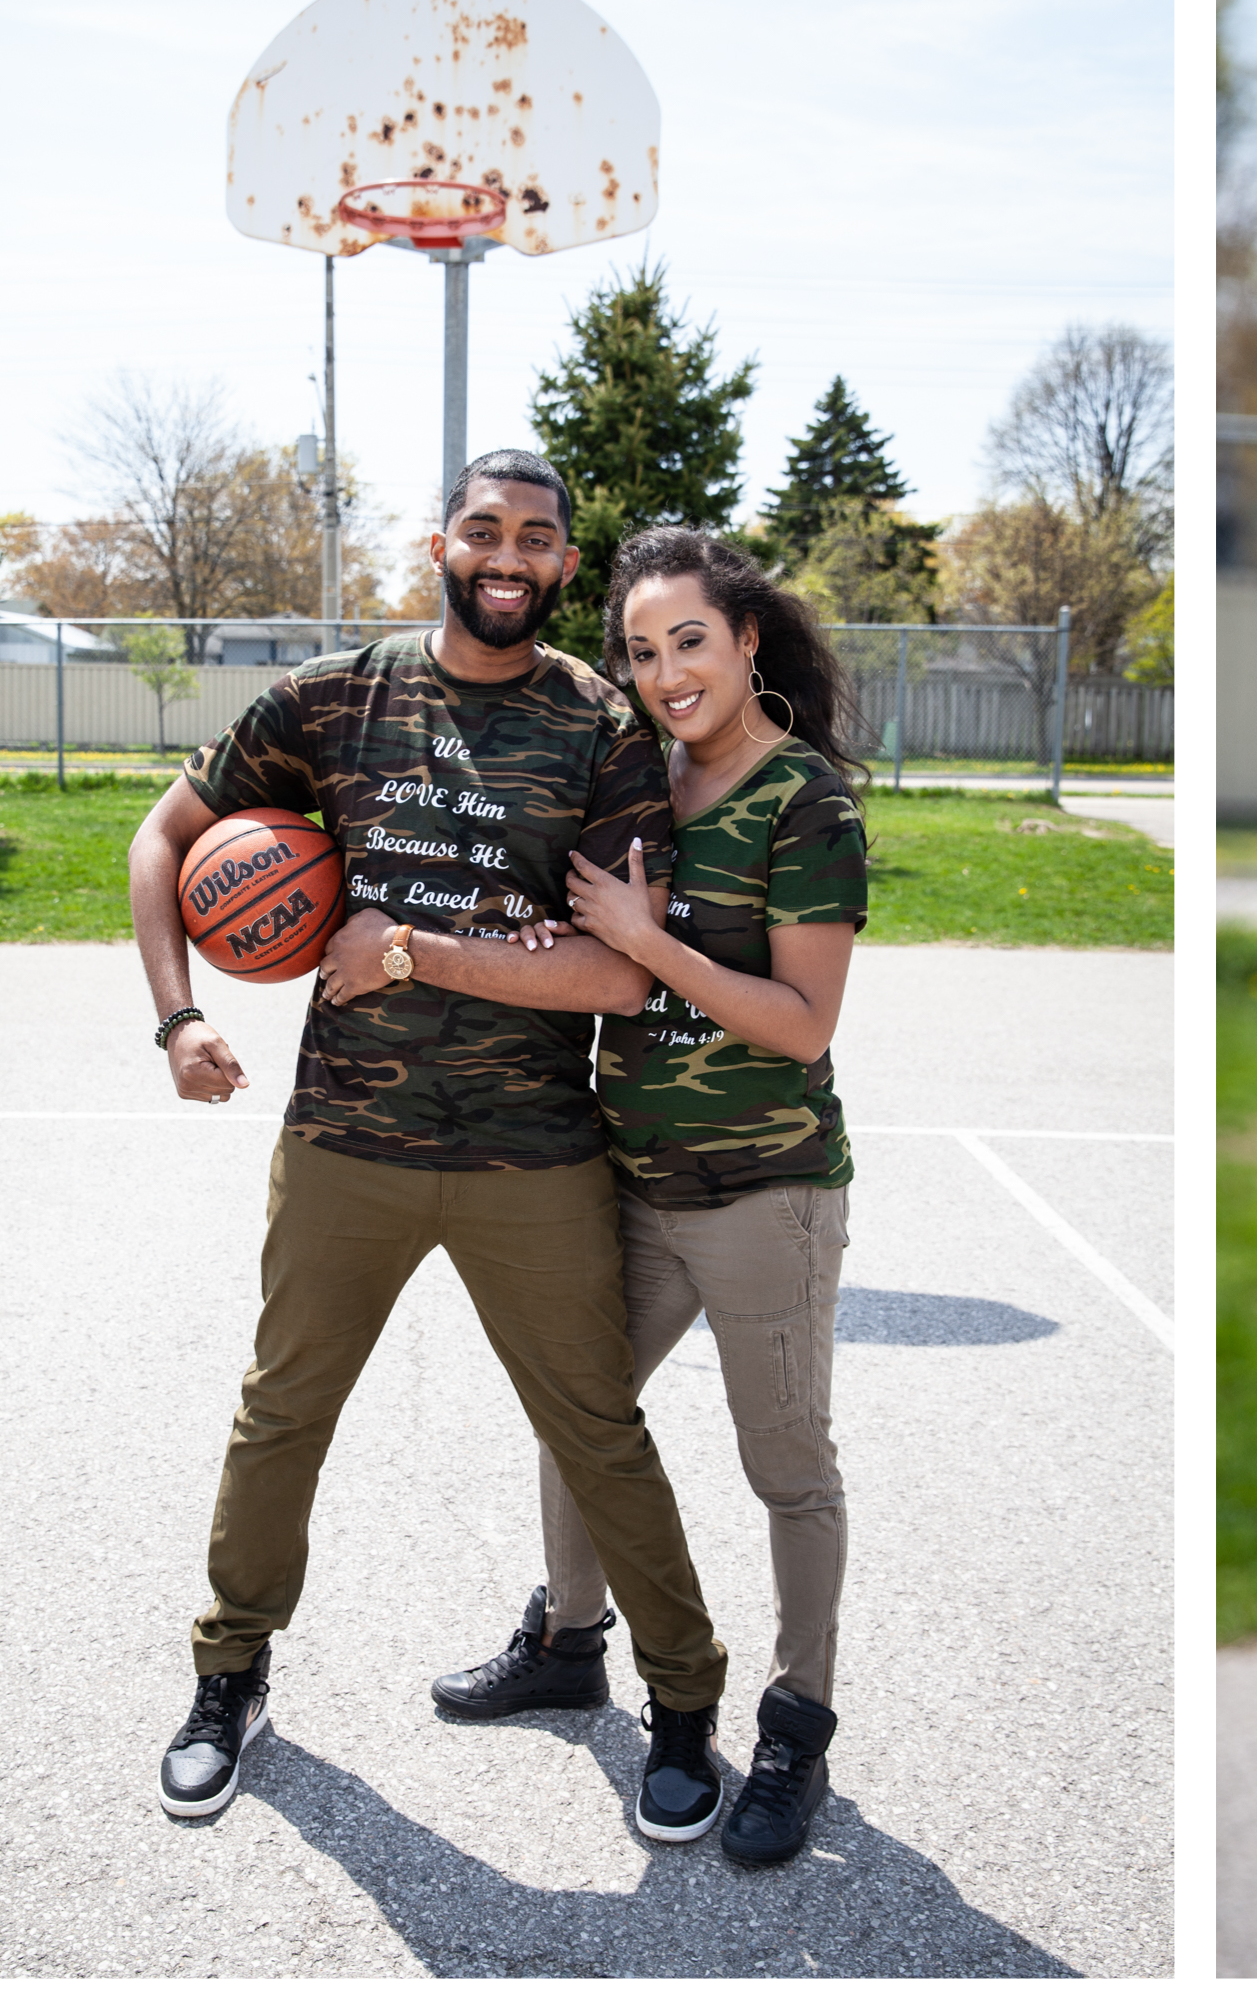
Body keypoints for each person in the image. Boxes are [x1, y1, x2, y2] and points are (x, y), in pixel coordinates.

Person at [128, 449, 734, 1840]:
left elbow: (619, 975)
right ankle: (229, 1680)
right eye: (482, 530)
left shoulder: (601, 727)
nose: (506, 554)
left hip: (532, 1149)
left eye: (535, 536)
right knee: (282, 1414)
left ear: (568, 563)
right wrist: (176, 1020)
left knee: (597, 1432)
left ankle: (687, 1707)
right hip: (346, 1138)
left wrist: (410, 950)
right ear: (440, 546)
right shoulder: (332, 698)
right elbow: (164, 840)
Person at [426, 526, 871, 1870]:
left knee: (785, 1469)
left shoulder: (805, 801)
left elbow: (800, 1022)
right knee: (583, 1419)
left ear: (746, 640)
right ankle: (570, 1641)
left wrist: (642, 942)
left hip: (762, 1189)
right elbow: (575, 942)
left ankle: (795, 1722)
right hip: (628, 1178)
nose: (667, 670)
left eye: (690, 640)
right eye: (640, 648)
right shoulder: (636, 776)